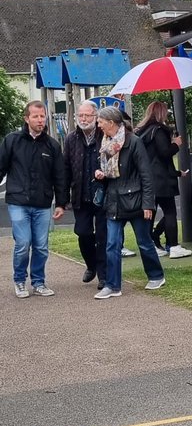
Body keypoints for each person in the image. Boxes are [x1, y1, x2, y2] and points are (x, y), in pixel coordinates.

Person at [93, 106, 166, 299]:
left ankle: (156, 276)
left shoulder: (134, 142)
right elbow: (109, 171)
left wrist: (148, 204)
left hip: (135, 200)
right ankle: (112, 285)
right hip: (113, 200)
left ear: (111, 123)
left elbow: (146, 174)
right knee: (112, 244)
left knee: (144, 242)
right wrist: (101, 174)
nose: (98, 125)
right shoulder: (105, 143)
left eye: (100, 121)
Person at [0, 100, 66, 297]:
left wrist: (61, 203)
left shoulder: (52, 145)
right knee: (23, 243)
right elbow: (1, 167)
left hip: (42, 203)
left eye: (42, 116)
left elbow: (59, 176)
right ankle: (20, 281)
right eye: (35, 116)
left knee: (41, 246)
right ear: (27, 118)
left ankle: (38, 282)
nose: (40, 120)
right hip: (18, 200)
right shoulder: (12, 140)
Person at [134, 100, 191, 258]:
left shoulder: (142, 132)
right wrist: (176, 144)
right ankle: (173, 245)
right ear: (161, 113)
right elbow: (164, 153)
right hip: (162, 179)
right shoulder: (159, 130)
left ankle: (152, 243)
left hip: (148, 178)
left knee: (151, 213)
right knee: (170, 212)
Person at [63, 100, 107, 288]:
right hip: (80, 194)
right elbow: (66, 168)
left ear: (95, 117)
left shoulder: (104, 135)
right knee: (83, 232)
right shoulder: (71, 138)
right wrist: (63, 198)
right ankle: (91, 265)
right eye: (80, 115)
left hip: (103, 194)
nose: (83, 119)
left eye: (87, 115)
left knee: (103, 236)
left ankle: (104, 276)